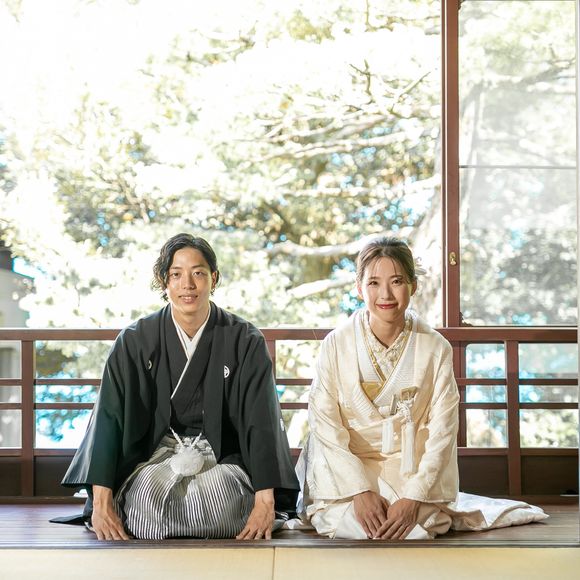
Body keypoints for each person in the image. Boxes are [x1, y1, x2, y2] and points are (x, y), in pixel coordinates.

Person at [298, 236, 546, 540]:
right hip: (348, 469)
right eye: (374, 283)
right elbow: (324, 424)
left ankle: (414, 506)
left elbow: (443, 430)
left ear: (413, 285)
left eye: (397, 281)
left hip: (408, 469)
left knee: (415, 525)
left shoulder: (435, 348)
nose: (385, 294)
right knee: (348, 522)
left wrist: (414, 497)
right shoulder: (336, 344)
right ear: (359, 287)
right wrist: (359, 491)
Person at [61, 233, 299, 540]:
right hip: (155, 455)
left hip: (221, 456)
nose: (188, 285)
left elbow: (261, 421)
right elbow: (109, 418)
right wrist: (101, 503)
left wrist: (265, 502)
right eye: (176, 275)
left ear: (214, 278)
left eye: (198, 273)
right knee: (144, 504)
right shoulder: (135, 340)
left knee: (224, 506)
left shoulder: (244, 339)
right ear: (164, 281)